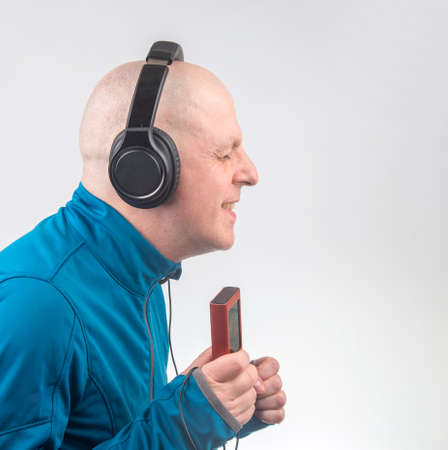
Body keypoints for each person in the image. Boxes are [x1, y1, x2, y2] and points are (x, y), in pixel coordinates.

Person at [0, 44, 286, 449]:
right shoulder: (40, 306)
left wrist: (218, 411)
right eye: (224, 153)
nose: (251, 173)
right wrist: (184, 424)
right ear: (145, 169)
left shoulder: (138, 277)